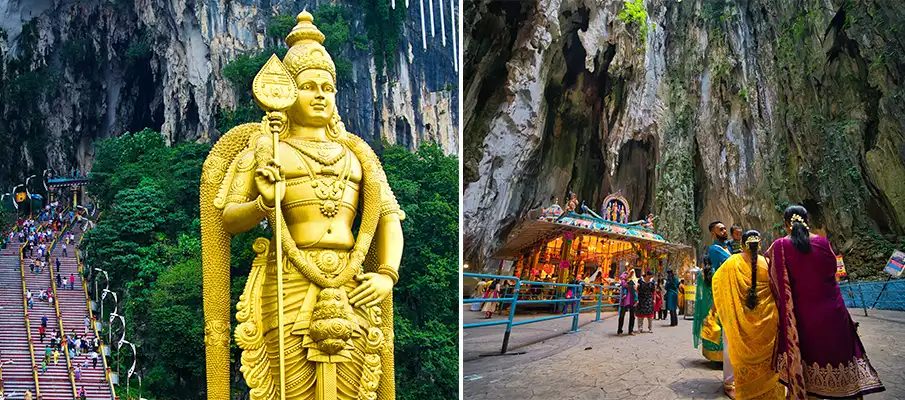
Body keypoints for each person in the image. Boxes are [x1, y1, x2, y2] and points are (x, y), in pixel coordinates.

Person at [768, 205, 885, 399]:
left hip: (804, 318)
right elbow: (832, 275)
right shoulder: (823, 242)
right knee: (840, 358)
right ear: (807, 221)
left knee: (810, 365)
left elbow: (774, 284)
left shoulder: (779, 246)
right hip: (834, 313)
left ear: (786, 224)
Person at [712, 230, 784, 399]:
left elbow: (717, 282)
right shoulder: (768, 263)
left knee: (735, 351)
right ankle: (768, 390)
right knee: (765, 357)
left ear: (742, 244)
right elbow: (778, 291)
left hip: (739, 319)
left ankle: (740, 388)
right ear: (759, 245)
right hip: (766, 321)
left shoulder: (732, 262)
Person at [693, 221, 732, 362]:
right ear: (713, 234)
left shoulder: (728, 247)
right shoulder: (714, 249)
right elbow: (726, 267)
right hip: (721, 290)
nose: (724, 230)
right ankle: (719, 356)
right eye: (721, 229)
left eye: (725, 228)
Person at [616, 270, 637, 336]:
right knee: (622, 315)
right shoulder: (623, 276)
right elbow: (624, 284)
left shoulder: (634, 277)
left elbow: (635, 285)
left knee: (632, 315)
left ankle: (631, 330)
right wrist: (630, 284)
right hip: (625, 298)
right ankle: (619, 331)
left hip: (632, 298)